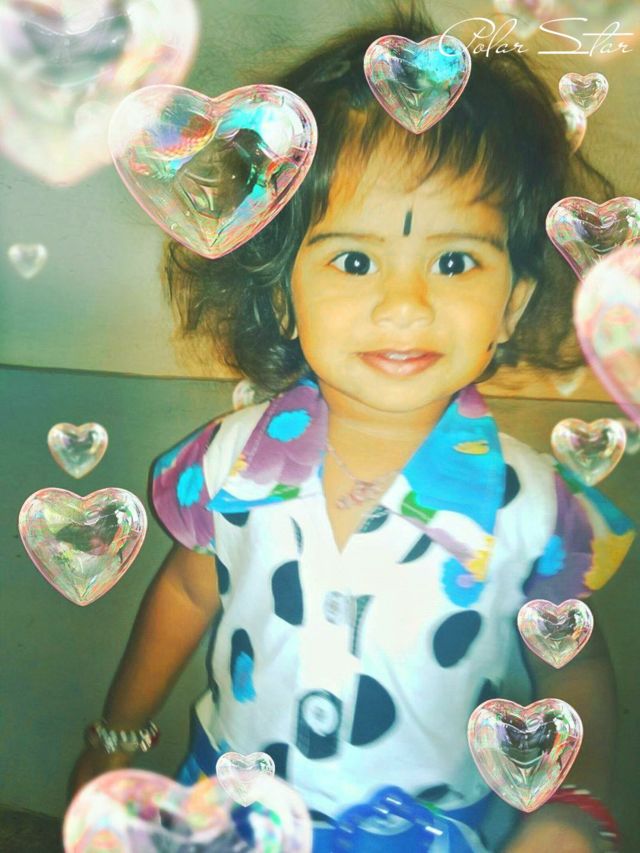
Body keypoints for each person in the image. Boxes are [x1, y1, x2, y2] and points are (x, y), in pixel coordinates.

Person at [69, 5, 636, 850]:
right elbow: (188, 591)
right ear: (283, 295)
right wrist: (118, 732)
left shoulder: (535, 508)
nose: (405, 304)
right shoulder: (226, 463)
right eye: (355, 259)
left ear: (513, 303)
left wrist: (572, 802)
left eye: (455, 261)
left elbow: (576, 658)